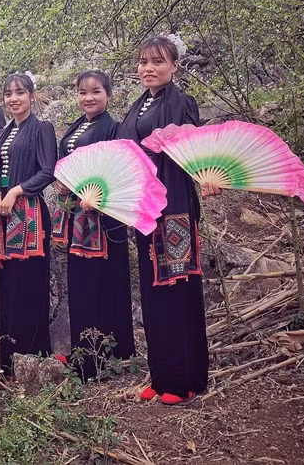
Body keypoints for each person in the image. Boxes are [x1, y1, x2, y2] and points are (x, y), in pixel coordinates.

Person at [118, 36, 218, 405]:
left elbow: (195, 149)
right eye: (143, 62)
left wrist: (206, 178)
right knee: (152, 290)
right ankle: (161, 376)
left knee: (177, 288)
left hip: (174, 203)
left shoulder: (182, 102)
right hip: (144, 208)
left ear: (174, 66)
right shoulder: (136, 106)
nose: (148, 68)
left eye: (157, 61)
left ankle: (185, 378)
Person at [53, 69, 135, 380]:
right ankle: (81, 350)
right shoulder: (78, 127)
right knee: (80, 283)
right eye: (83, 92)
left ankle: (106, 355)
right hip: (77, 216)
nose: (89, 98)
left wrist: (97, 195)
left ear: (108, 96)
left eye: (96, 92)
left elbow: (118, 170)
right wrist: (64, 184)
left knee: (104, 284)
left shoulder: (113, 128)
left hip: (103, 219)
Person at [0, 72, 56, 373]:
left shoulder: (42, 128)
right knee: (9, 287)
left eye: (20, 92)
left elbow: (49, 170)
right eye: (8, 93)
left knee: (30, 286)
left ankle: (34, 357)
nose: (14, 98)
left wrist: (16, 190)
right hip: (4, 217)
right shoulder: (1, 134)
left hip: (31, 218)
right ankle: (10, 360)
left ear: (32, 96)